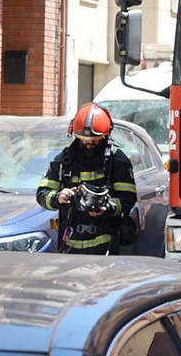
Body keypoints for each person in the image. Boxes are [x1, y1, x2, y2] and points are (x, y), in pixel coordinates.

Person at [36, 102, 138, 254]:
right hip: (69, 246)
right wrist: (58, 197)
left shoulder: (116, 160)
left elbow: (128, 198)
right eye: (84, 138)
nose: (89, 142)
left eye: (95, 139)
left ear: (105, 135)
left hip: (105, 247)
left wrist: (108, 206)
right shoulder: (63, 161)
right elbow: (42, 194)